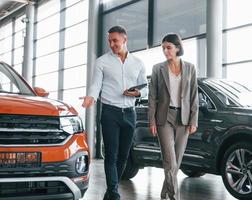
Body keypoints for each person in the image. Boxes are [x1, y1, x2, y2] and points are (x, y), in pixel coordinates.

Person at [80, 25, 147, 200]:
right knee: (111, 154)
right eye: (109, 41)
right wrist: (91, 97)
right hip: (110, 112)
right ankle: (115, 193)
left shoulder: (138, 63)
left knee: (123, 155)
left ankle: (110, 193)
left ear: (125, 39)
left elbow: (144, 87)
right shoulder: (102, 61)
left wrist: (138, 93)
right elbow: (96, 85)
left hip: (130, 113)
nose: (111, 44)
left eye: (115, 40)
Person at [148, 33, 198, 200]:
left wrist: (193, 119)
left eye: (168, 47)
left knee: (176, 162)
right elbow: (152, 97)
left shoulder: (190, 68)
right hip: (164, 118)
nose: (165, 51)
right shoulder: (157, 69)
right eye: (163, 48)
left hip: (183, 119)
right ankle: (174, 197)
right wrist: (152, 120)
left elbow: (193, 96)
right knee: (170, 162)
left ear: (177, 48)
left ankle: (164, 192)